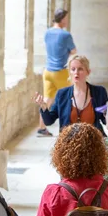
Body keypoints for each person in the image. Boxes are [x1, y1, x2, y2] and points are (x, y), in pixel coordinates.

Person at [33, 54, 108, 136]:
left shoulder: (99, 92)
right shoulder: (62, 94)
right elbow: (49, 121)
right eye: (73, 69)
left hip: (94, 141)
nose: (76, 72)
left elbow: (106, 121)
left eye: (80, 69)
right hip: (69, 143)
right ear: (69, 72)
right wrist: (43, 106)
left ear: (88, 72)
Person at [37, 9, 77, 137]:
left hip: (47, 71)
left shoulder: (47, 33)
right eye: (66, 18)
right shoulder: (65, 35)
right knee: (69, 98)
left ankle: (42, 128)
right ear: (62, 19)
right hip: (60, 72)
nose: (67, 20)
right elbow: (74, 51)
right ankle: (69, 128)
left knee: (47, 99)